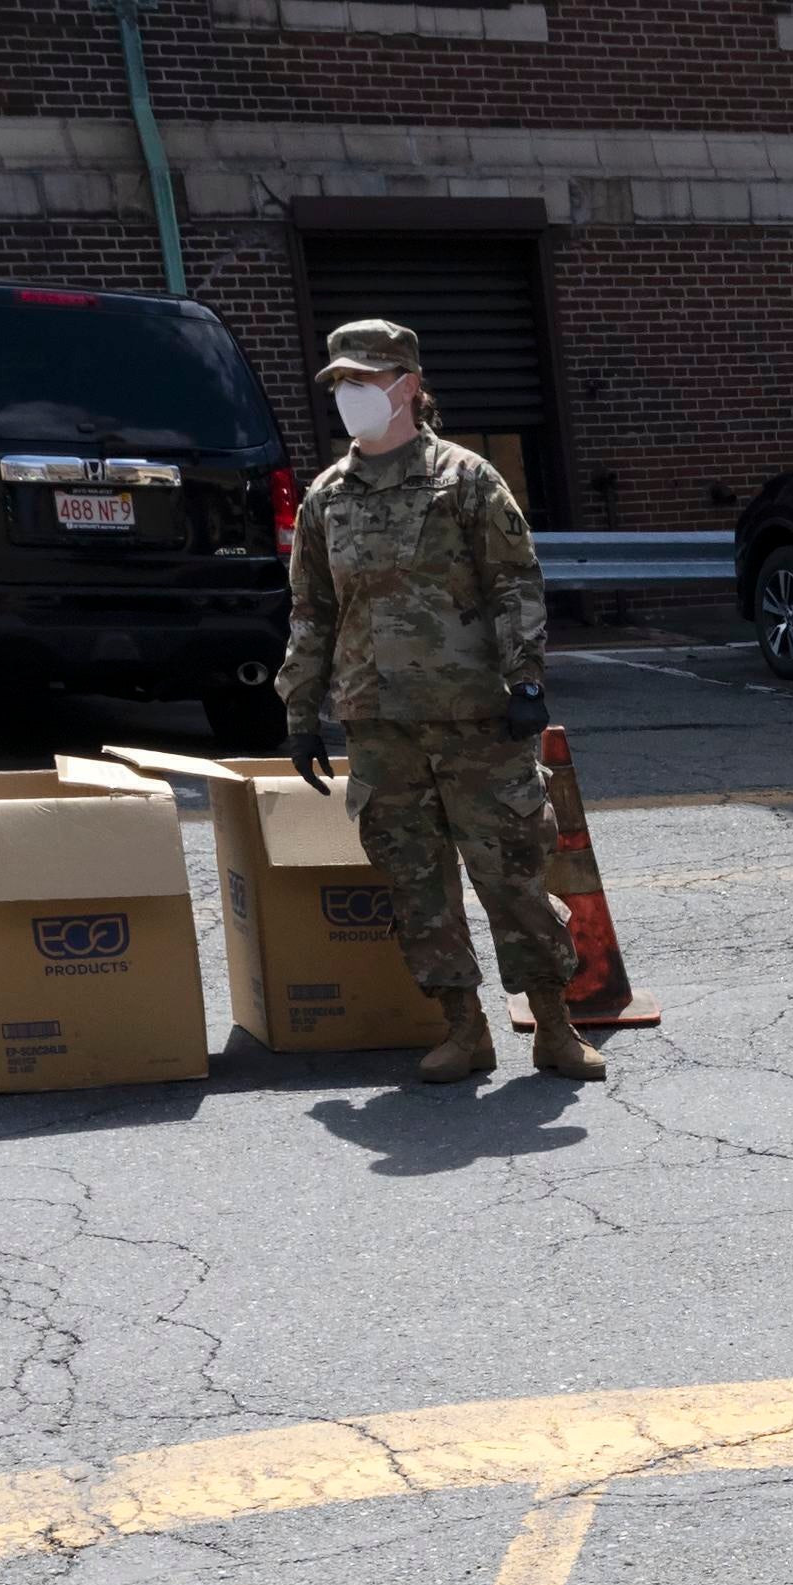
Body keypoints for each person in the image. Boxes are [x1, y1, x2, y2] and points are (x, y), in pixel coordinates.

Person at [277, 315, 600, 1086]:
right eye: (343, 384)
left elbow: (513, 582)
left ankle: (555, 1025)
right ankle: (463, 1029)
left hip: (476, 719)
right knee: (415, 884)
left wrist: (525, 679)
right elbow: (312, 612)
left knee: (512, 876)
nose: (354, 395)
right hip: (380, 724)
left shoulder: (466, 479)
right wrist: (299, 707)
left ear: (409, 386)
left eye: (368, 380)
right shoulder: (325, 497)